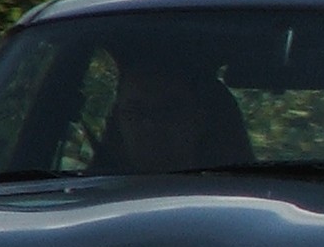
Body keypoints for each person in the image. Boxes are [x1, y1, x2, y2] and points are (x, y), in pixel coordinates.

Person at [97, 51, 253, 174]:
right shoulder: (93, 204)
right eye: (135, 112)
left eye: (167, 112)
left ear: (199, 120)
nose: (149, 124)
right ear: (117, 122)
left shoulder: (237, 200)